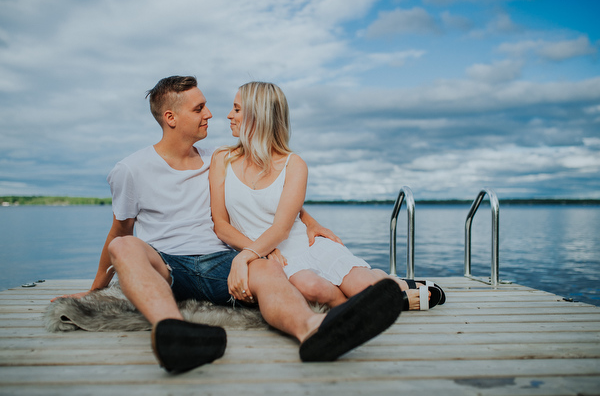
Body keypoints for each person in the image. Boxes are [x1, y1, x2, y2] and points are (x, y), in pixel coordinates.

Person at [52, 76, 404, 373]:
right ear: (171, 117)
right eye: (198, 109)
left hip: (218, 259)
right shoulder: (130, 169)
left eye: (206, 106)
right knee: (123, 247)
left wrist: (308, 221)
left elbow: (271, 193)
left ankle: (311, 330)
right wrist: (95, 290)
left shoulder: (217, 157)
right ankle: (172, 332)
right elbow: (119, 232)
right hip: (166, 262)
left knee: (265, 267)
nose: (210, 114)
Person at [210, 81, 445, 313]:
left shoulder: (294, 164)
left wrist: (247, 256)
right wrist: (255, 251)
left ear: (258, 115)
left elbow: (282, 228)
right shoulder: (222, 159)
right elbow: (221, 225)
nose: (230, 115)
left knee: (364, 285)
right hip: (272, 255)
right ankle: (365, 304)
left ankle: (393, 284)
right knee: (313, 289)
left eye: (238, 109)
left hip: (303, 244)